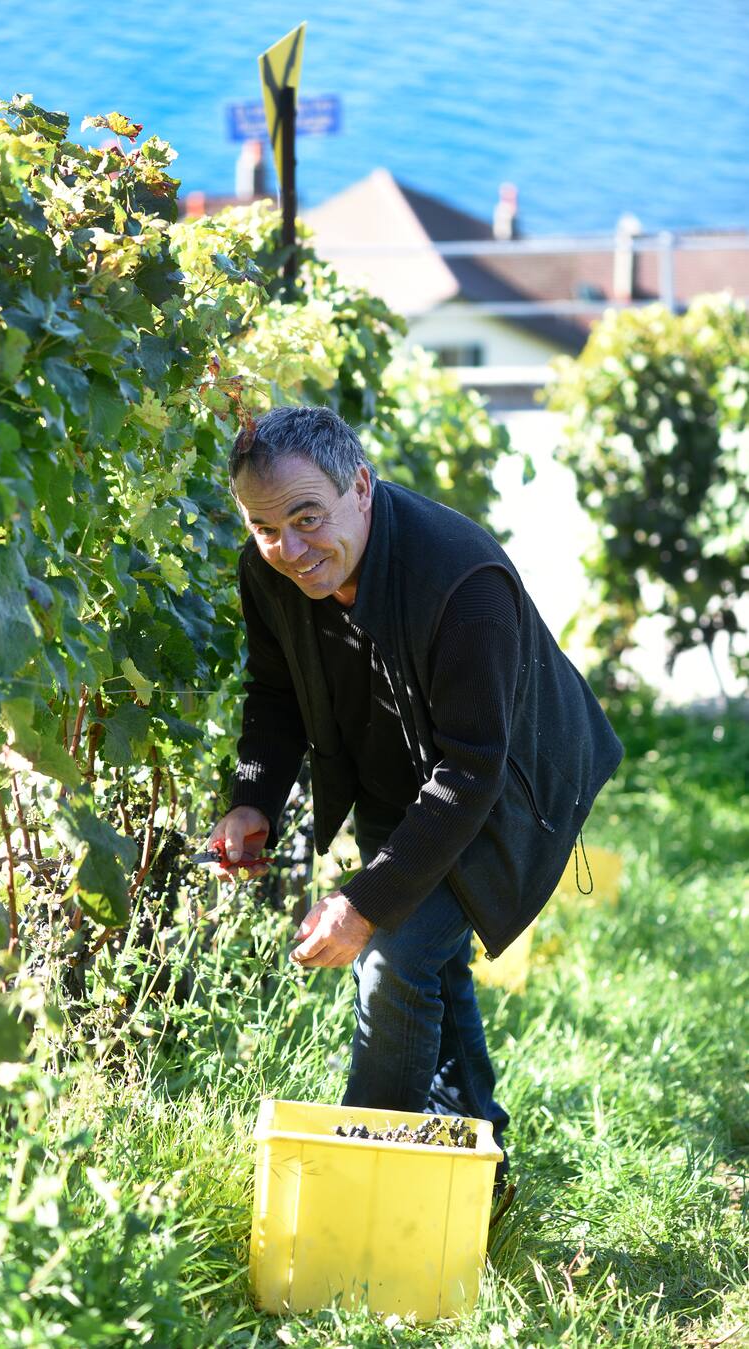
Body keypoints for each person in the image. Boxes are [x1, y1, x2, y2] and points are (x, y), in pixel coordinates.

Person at [206, 405, 623, 1180]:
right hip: (403, 780)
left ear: (359, 487)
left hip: (509, 783)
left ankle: (360, 1179)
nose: (290, 550)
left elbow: (471, 771)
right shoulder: (268, 568)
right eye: (265, 528)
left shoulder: (463, 580)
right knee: (430, 959)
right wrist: (252, 798)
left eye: (306, 518)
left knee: (394, 956)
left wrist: (362, 903)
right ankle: (478, 1171)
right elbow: (275, 692)